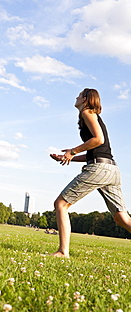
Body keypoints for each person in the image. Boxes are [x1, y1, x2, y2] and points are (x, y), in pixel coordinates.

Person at [50, 88, 131, 257]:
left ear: (86, 99)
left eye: (79, 95)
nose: (76, 97)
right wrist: (69, 157)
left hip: (100, 168)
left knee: (61, 204)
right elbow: (95, 151)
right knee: (122, 219)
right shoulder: (89, 115)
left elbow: (98, 139)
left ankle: (62, 252)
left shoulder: (88, 112)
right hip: (111, 169)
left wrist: (72, 151)